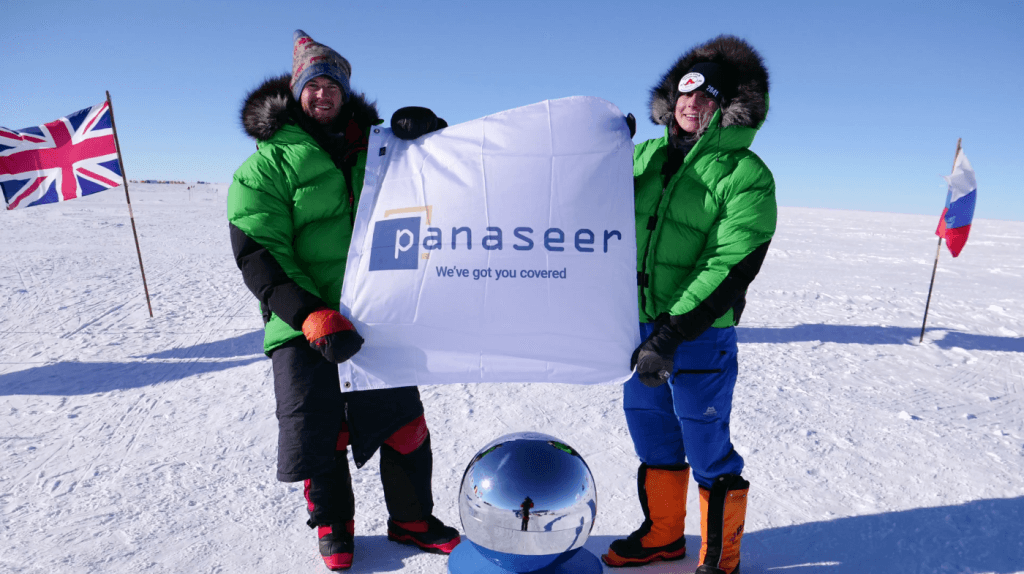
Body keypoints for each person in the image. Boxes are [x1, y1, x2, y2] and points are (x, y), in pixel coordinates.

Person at [227, 30, 458, 572]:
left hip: (376, 314)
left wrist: (429, 137)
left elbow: (447, 181)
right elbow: (258, 249)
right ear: (295, 91)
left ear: (346, 92)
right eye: (314, 85)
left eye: (333, 85)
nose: (323, 94)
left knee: (403, 422)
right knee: (319, 430)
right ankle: (333, 524)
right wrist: (308, 313)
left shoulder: (376, 149)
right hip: (302, 320)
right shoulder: (268, 164)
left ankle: (411, 519)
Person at [602, 35, 776, 574]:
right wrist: (597, 149)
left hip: (698, 334)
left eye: (706, 96)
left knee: (706, 444)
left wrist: (673, 333)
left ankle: (721, 558)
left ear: (726, 106)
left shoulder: (746, 174)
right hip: (637, 328)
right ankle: (663, 535)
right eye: (684, 92)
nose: (691, 103)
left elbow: (731, 264)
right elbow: (574, 197)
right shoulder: (643, 159)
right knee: (651, 434)